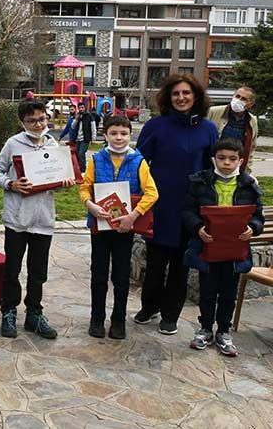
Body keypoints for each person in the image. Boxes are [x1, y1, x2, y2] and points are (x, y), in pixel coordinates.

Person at [134, 74, 218, 335]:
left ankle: (171, 315)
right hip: (159, 205)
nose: (181, 98)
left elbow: (211, 169)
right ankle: (149, 307)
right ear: (168, 98)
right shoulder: (155, 126)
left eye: (186, 93)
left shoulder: (208, 129)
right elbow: (137, 163)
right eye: (175, 94)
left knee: (181, 266)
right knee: (156, 264)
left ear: (196, 96)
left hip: (190, 209)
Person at [0, 99, 76, 340]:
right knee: (12, 270)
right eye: (31, 120)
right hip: (17, 219)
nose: (37, 124)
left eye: (41, 119)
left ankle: (34, 313)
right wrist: (11, 184)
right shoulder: (12, 144)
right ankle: (8, 312)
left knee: (38, 271)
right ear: (22, 122)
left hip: (43, 219)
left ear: (47, 119)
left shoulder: (53, 144)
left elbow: (55, 180)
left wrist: (64, 182)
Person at [183, 137, 263, 357]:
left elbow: (257, 216)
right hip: (207, 247)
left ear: (241, 160)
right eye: (221, 158)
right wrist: (198, 227)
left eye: (232, 159)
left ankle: (224, 331)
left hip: (235, 251)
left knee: (229, 293)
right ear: (213, 159)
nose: (226, 163)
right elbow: (188, 211)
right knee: (208, 291)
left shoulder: (249, 186)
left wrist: (253, 228)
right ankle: (206, 328)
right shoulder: (200, 183)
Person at [80, 115, 158, 340]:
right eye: (113, 133)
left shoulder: (139, 161)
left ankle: (118, 319)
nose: (118, 138)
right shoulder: (96, 159)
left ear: (130, 135)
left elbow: (152, 193)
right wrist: (90, 205)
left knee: (122, 276)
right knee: (99, 274)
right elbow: (85, 187)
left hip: (125, 228)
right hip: (100, 227)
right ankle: (97, 318)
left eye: (123, 133)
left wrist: (133, 216)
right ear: (105, 135)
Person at [207, 86, 258, 173]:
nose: (239, 100)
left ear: (250, 104)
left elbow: (251, 148)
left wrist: (247, 170)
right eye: (237, 96)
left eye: (244, 99)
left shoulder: (252, 120)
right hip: (211, 164)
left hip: (235, 168)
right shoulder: (213, 112)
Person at [70, 102, 97, 172]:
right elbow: (72, 126)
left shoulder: (89, 116)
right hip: (77, 138)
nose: (81, 109)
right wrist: (76, 119)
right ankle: (79, 167)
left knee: (81, 153)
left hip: (85, 138)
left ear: (85, 108)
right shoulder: (78, 116)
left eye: (82, 107)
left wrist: (93, 139)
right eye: (79, 108)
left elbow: (93, 128)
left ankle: (83, 169)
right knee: (78, 154)